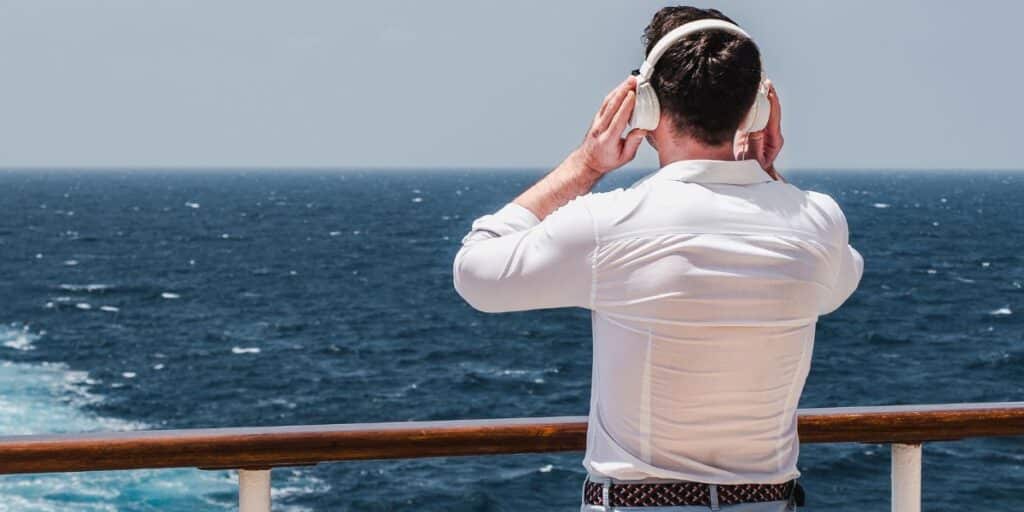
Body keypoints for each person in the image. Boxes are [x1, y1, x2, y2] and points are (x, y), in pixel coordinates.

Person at [452, 6, 862, 511]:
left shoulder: (611, 223)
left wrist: (585, 164)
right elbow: (841, 276)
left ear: (645, 106)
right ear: (757, 110)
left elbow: (475, 273)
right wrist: (766, 170)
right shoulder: (818, 222)